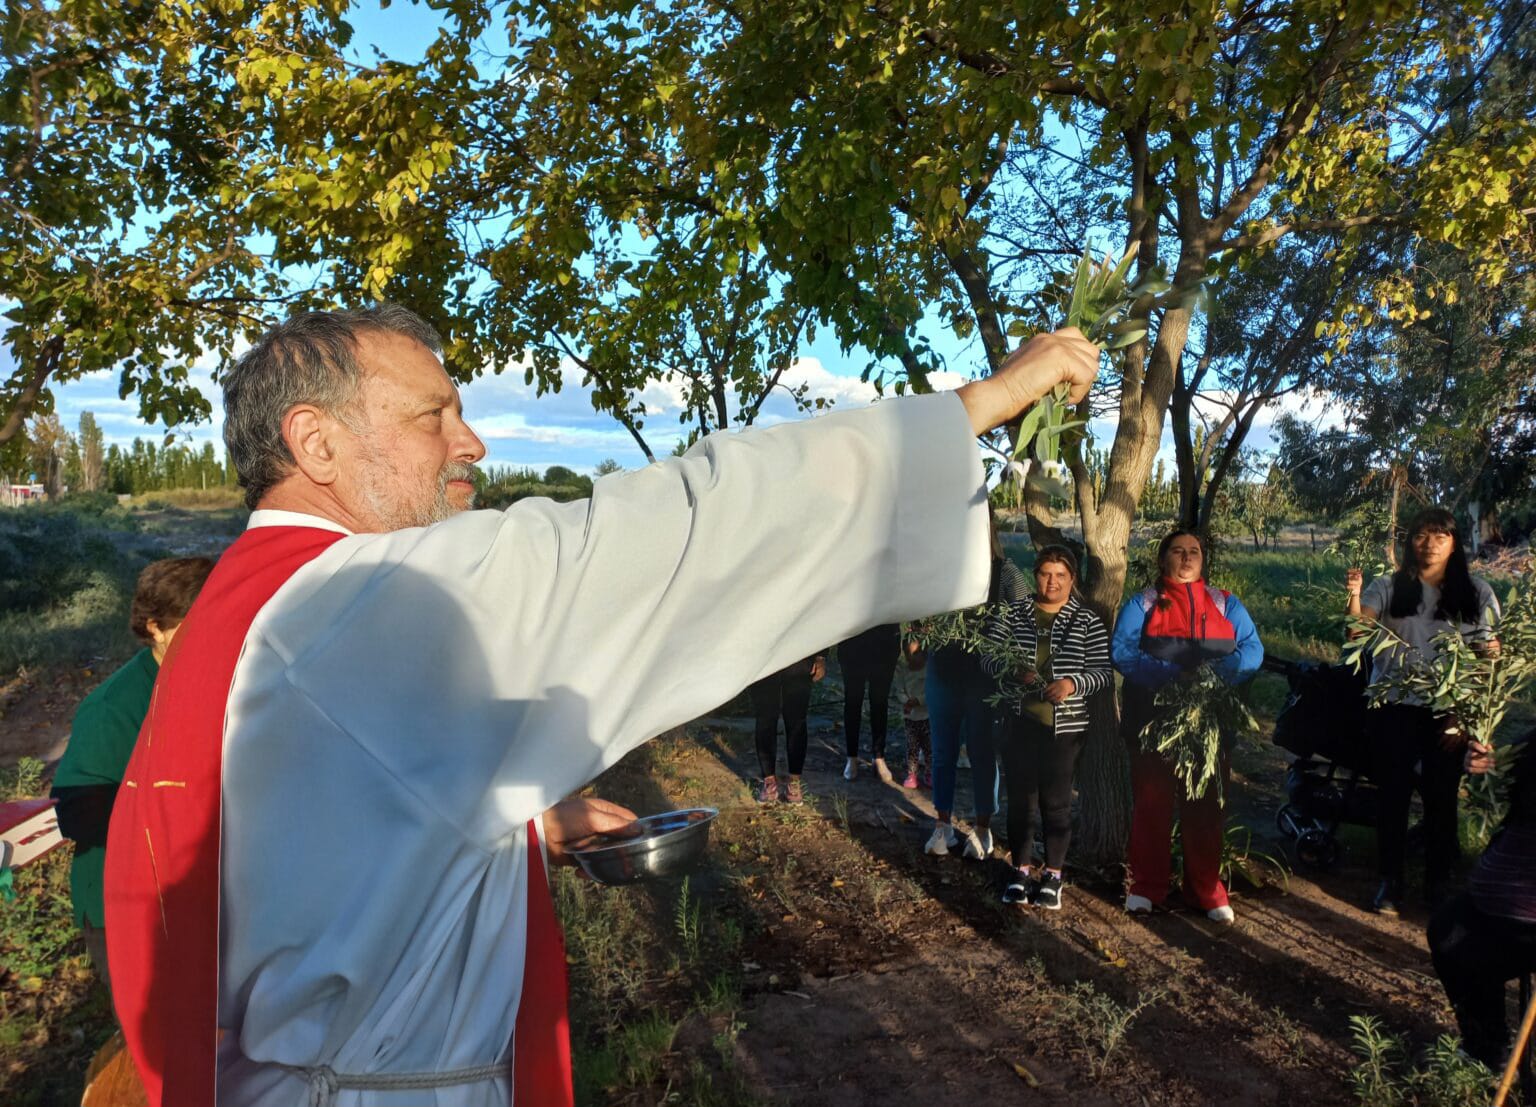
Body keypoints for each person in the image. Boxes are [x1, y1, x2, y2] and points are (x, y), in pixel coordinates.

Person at [101, 304, 1099, 1107]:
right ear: (314, 441)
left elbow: (327, 834)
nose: (474, 442)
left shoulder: (255, 602)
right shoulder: (362, 597)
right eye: (432, 416)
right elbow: (673, 534)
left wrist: (524, 824)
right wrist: (979, 404)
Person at [50, 556, 215, 991]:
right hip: (128, 906)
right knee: (158, 1041)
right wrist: (175, 812)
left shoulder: (215, 680)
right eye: (190, 624)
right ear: (153, 626)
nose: (209, 635)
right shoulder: (115, 707)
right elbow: (78, 811)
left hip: (195, 895)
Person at [1346, 506, 1502, 915]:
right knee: (1392, 796)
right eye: (1421, 534)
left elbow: (1487, 658)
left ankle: (1438, 884)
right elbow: (1357, 630)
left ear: (1454, 543)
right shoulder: (1389, 586)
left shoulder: (1477, 592)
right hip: (1393, 706)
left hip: (1447, 712)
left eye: (1440, 535)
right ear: (1409, 540)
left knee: (1441, 798)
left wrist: (1466, 717)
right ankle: (1390, 882)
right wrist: (1353, 594)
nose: (1429, 544)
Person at [1113, 529, 1263, 924]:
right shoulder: (1143, 603)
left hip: (1209, 723)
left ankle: (1206, 891)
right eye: (1177, 551)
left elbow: (1252, 648)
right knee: (1152, 804)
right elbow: (1122, 652)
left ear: (1203, 560)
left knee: (1206, 808)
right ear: (1163, 559)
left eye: (1193, 551)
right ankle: (1146, 887)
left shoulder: (1225, 604)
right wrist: (1168, 676)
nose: (1185, 557)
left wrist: (1219, 674)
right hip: (1154, 722)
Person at [983, 545, 1111, 910]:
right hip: (1019, 722)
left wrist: (1072, 684)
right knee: (1021, 801)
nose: (1051, 582)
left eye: (1060, 575)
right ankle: (1020, 871)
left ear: (1072, 579)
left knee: (1056, 803)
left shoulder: (1087, 621)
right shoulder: (1014, 613)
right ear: (1035, 574)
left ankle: (1053, 875)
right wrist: (1010, 671)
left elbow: (1102, 673)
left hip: (1064, 729)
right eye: (1045, 573)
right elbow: (988, 657)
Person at [1427, 730, 1536, 1070]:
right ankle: (1489, 1048)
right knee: (1448, 933)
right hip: (1495, 907)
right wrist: (1483, 765)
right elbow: (1503, 782)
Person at [923, 511, 1026, 860]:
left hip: (984, 679)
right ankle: (942, 827)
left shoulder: (1006, 572)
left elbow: (1026, 614)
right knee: (943, 752)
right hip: (942, 672)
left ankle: (983, 829)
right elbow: (920, 611)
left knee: (982, 751)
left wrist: (1012, 657)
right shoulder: (940, 568)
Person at [749, 652, 826, 805]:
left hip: (799, 657)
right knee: (765, 717)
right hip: (764, 656)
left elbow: (816, 626)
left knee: (796, 719)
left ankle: (794, 783)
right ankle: (769, 783)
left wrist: (821, 657)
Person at [836, 623, 901, 782]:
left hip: (885, 641)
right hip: (852, 641)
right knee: (852, 699)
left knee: (879, 700)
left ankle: (879, 756)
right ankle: (851, 757)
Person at [896, 629, 931, 789]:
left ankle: (930, 773)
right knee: (912, 747)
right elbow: (899, 690)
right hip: (910, 717)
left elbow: (930, 691)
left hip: (926, 716)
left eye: (916, 653)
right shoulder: (904, 671)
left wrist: (919, 700)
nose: (912, 658)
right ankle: (912, 774)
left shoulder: (928, 670)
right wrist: (906, 701)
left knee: (929, 747)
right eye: (909, 654)